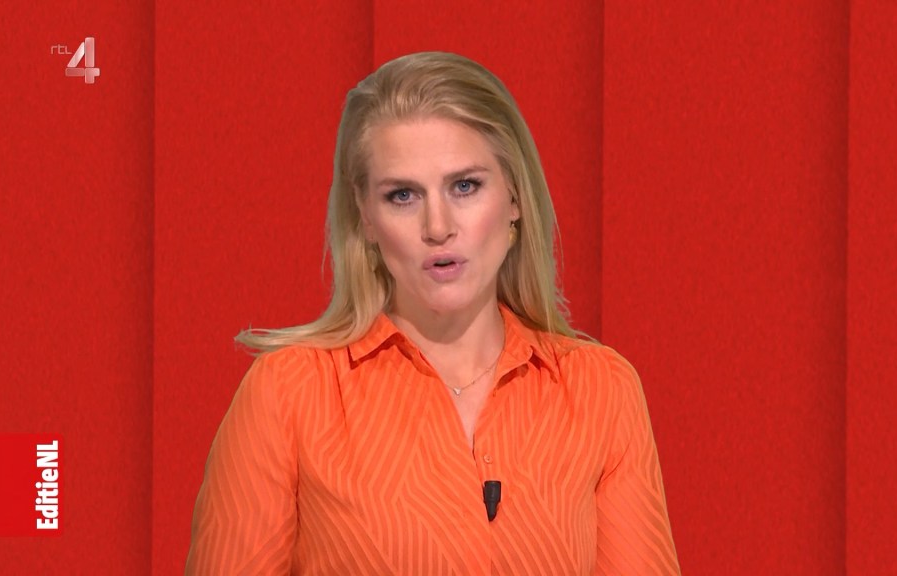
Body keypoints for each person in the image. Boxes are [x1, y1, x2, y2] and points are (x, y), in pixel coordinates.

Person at [185, 51, 680, 575]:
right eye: (403, 196)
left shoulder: (601, 390)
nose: (438, 226)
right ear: (366, 217)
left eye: (465, 186)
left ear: (514, 197)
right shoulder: (289, 394)